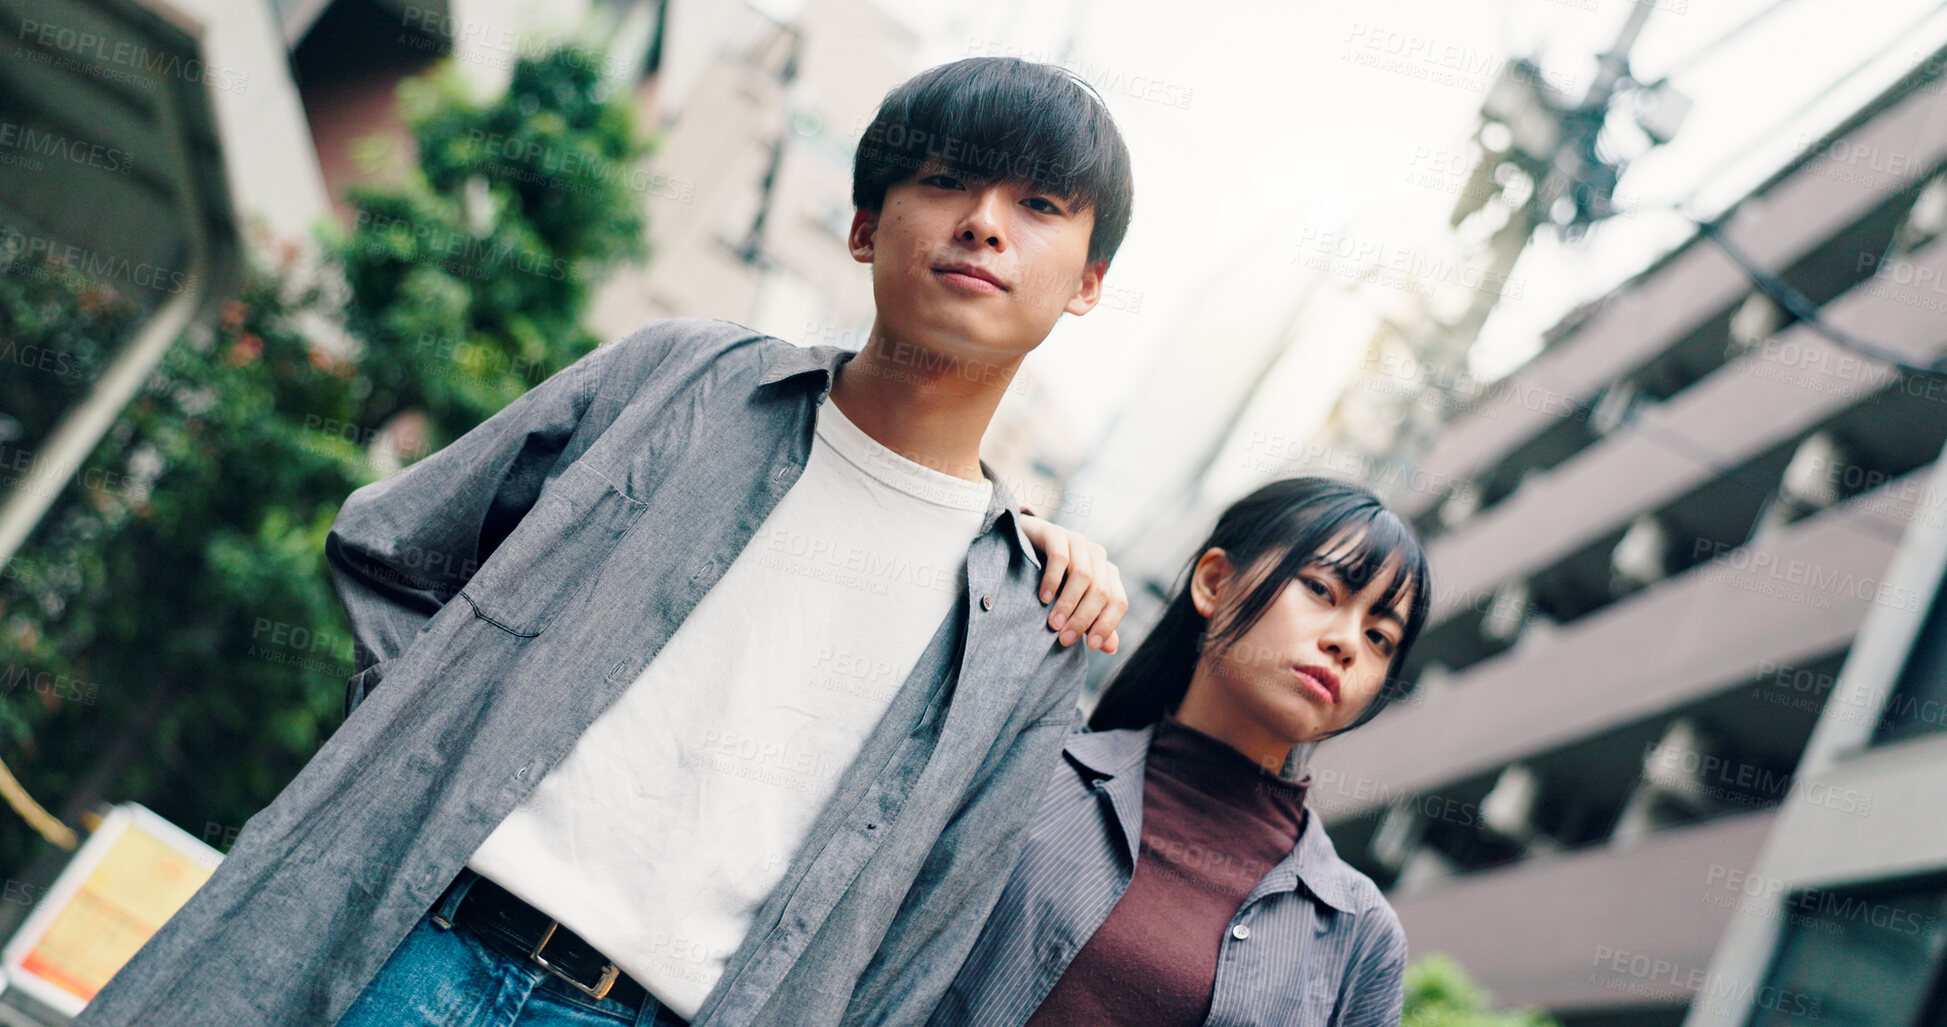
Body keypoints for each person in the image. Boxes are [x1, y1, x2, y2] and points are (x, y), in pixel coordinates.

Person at [76, 56, 1134, 1027]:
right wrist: (423, 754)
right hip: (408, 942)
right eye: (946, 181)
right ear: (864, 225)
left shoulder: (1029, 623)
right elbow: (393, 545)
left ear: (1087, 282)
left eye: (1040, 206)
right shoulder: (684, 381)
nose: (985, 224)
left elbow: (919, 946)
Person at [930, 476, 1433, 1027]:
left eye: (1380, 637)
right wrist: (1014, 542)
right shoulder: (1035, 761)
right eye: (1320, 590)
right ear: (1214, 582)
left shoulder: (1361, 939)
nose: (1347, 643)